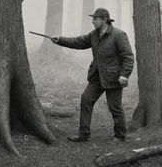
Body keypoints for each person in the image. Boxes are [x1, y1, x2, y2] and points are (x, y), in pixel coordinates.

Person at [51, 8, 134, 142]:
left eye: (95, 19)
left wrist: (124, 75)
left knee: (114, 107)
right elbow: (78, 42)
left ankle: (120, 135)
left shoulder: (119, 35)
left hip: (113, 77)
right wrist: (60, 40)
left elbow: (128, 57)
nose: (92, 21)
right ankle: (83, 135)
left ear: (104, 20)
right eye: (93, 18)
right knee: (86, 99)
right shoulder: (94, 35)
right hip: (97, 76)